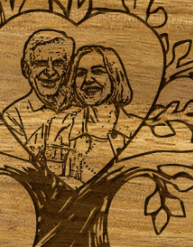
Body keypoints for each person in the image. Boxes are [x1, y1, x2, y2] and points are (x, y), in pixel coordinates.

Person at [34, 44, 139, 182]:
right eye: (81, 73)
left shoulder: (138, 131)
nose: (88, 79)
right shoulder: (56, 127)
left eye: (98, 71)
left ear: (115, 77)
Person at [3, 28, 75, 144]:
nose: (50, 72)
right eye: (41, 63)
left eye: (58, 63)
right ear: (26, 69)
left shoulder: (81, 109)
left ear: (67, 69)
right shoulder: (13, 117)